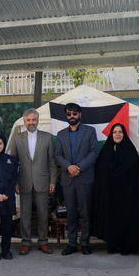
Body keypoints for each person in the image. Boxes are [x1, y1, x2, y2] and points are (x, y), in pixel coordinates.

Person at [7, 108, 57, 255]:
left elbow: (52, 162)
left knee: (43, 214)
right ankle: (26, 242)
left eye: (34, 120)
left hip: (43, 181)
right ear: (24, 121)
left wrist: (53, 181)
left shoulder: (47, 138)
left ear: (38, 120)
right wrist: (15, 182)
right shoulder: (17, 138)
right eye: (28, 120)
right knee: (25, 214)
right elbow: (13, 163)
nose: (31, 122)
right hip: (24, 182)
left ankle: (43, 241)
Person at [55, 103, 100, 256]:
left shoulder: (90, 131)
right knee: (71, 213)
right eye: (69, 114)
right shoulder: (60, 135)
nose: (72, 116)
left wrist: (78, 167)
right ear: (66, 116)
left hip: (84, 178)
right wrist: (69, 167)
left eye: (74, 113)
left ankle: (85, 243)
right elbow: (58, 155)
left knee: (86, 213)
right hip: (68, 179)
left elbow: (94, 152)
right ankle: (72, 243)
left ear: (80, 114)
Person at [93, 124, 139, 255]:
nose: (117, 134)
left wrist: (116, 159)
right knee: (112, 220)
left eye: (120, 132)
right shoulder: (107, 150)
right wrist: (113, 156)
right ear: (111, 134)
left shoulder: (130, 150)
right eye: (114, 132)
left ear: (124, 134)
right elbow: (102, 170)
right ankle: (113, 245)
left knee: (125, 219)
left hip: (126, 196)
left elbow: (133, 170)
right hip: (111, 194)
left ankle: (126, 247)